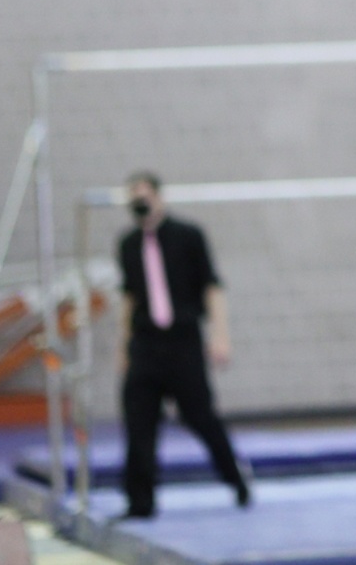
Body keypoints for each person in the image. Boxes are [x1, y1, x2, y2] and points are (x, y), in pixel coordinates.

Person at [115, 171, 248, 519]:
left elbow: (211, 287)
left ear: (160, 198)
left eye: (145, 198)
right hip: (145, 343)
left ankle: (235, 477)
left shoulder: (188, 236)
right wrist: (123, 346)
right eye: (134, 201)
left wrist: (220, 335)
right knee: (139, 420)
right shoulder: (128, 244)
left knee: (200, 415)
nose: (141, 206)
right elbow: (129, 297)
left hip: (183, 340)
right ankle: (140, 501)